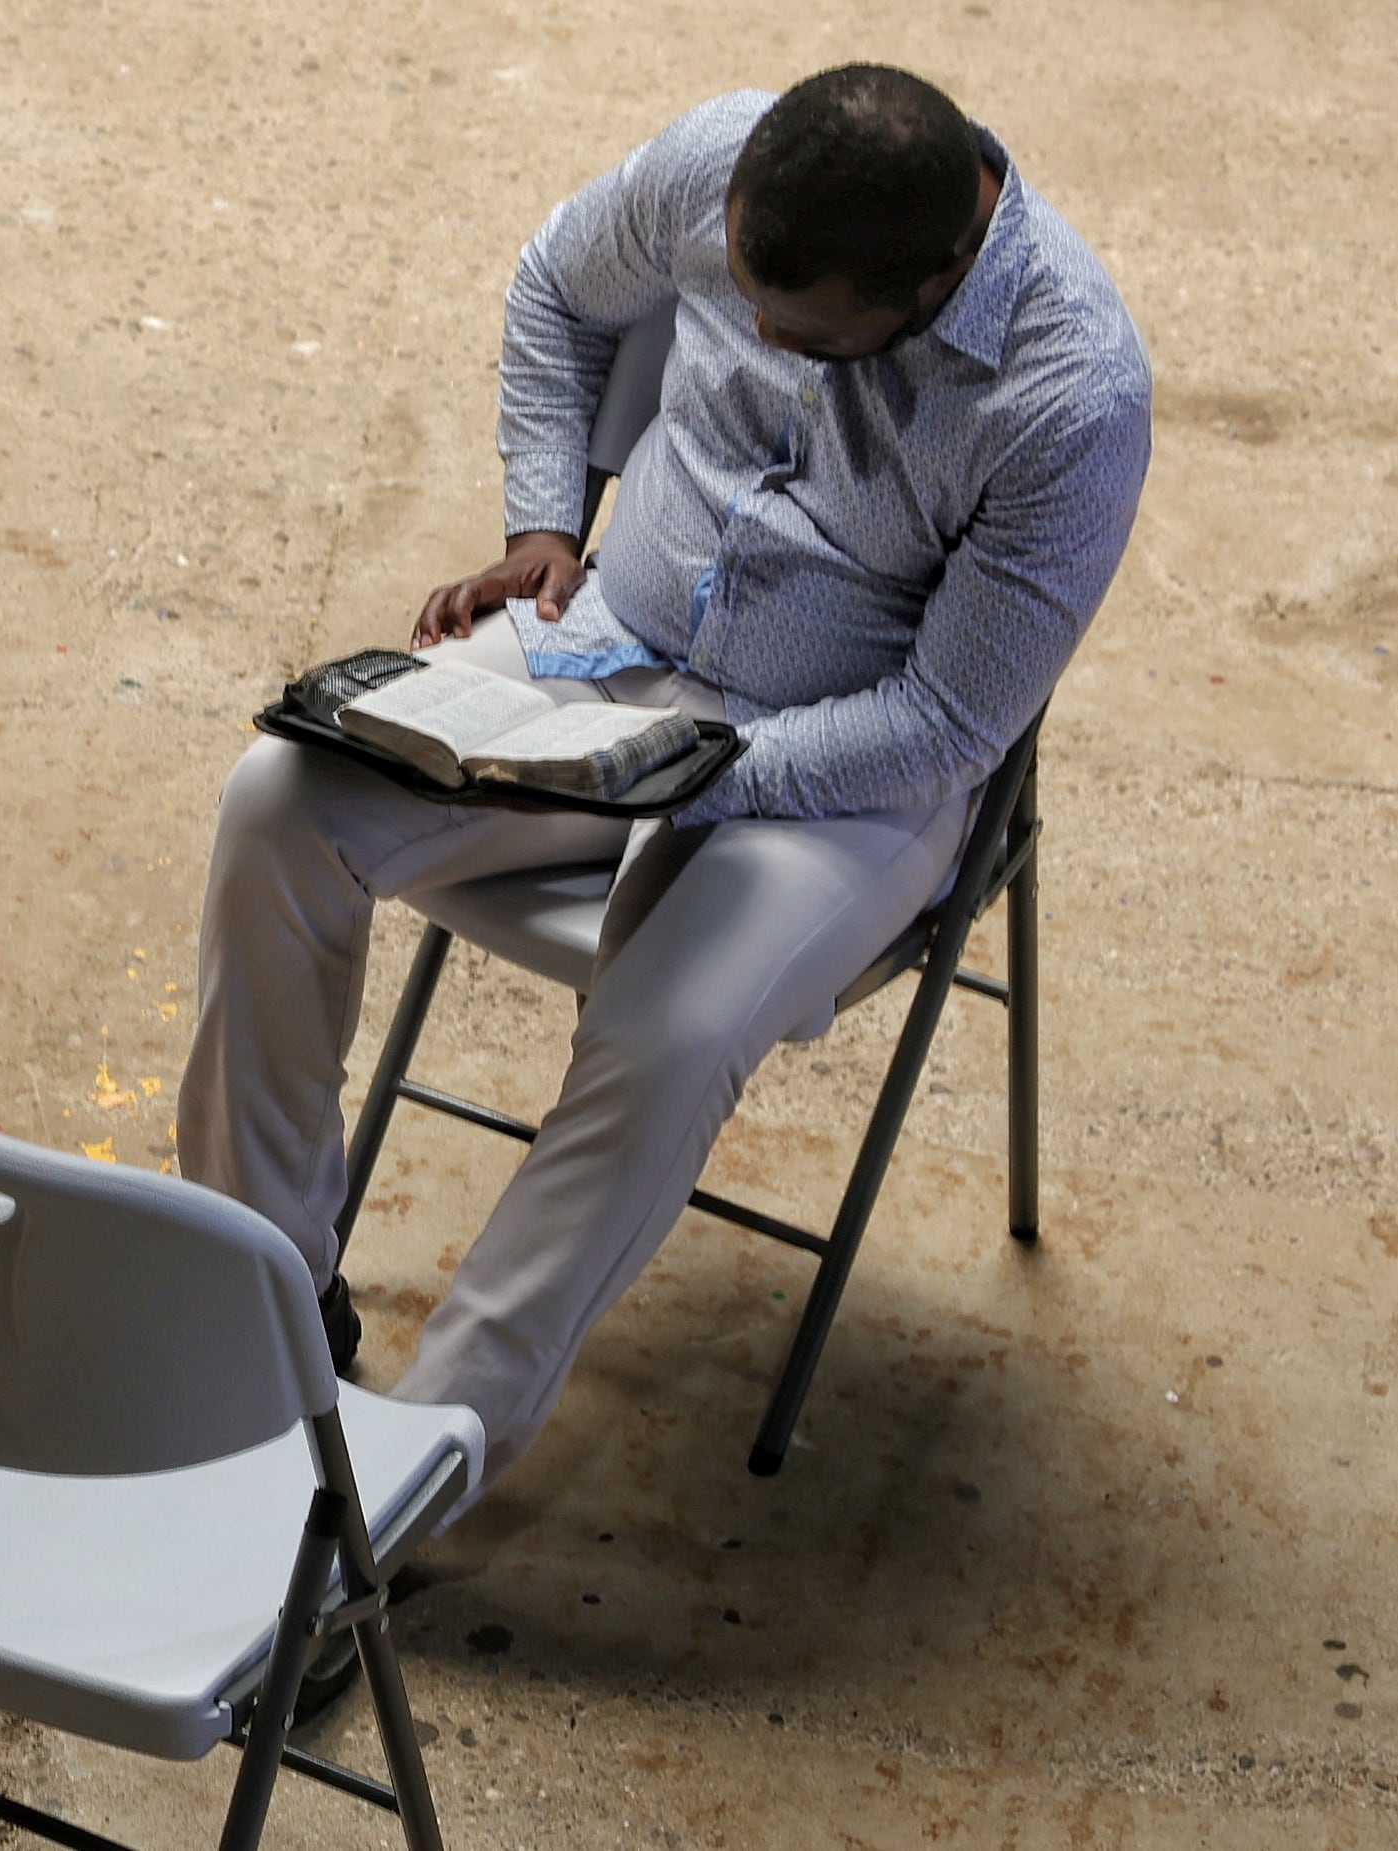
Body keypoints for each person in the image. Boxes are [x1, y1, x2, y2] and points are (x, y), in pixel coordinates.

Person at [176, 65, 1151, 1507]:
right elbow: (557, 289)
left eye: (799, 333)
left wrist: (683, 782)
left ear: (933, 283)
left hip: (842, 767)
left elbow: (944, 722)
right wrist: (544, 515)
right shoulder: (719, 160)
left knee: (672, 1025)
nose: (752, 335)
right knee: (277, 803)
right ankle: (253, 1312)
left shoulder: (1069, 398)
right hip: (603, 647)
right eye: (742, 299)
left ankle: (394, 1499)